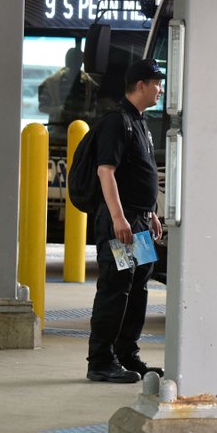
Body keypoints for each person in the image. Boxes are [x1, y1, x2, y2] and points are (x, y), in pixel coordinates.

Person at [85, 57, 164, 384]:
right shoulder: (118, 121)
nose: (160, 89)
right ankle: (102, 361)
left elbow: (138, 175)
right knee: (116, 290)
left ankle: (126, 355)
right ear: (141, 85)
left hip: (139, 223)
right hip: (122, 225)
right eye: (157, 83)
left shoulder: (139, 121)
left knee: (137, 287)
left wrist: (150, 213)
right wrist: (119, 218)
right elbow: (107, 171)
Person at [38, 46, 99, 126]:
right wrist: (58, 110)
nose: (74, 64)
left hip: (81, 129)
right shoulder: (52, 83)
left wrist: (85, 114)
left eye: (77, 60)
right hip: (58, 129)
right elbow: (42, 107)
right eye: (73, 60)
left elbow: (94, 111)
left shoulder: (90, 85)